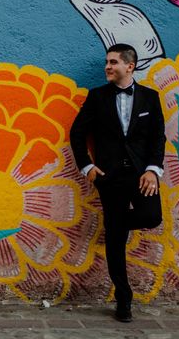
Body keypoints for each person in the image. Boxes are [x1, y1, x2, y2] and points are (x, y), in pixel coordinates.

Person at [69, 44, 165, 323]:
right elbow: (77, 133)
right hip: (109, 177)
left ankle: (116, 224)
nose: (107, 67)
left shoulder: (150, 98)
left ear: (130, 66)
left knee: (151, 216)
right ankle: (124, 299)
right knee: (115, 241)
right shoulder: (97, 97)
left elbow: (158, 138)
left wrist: (152, 170)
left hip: (141, 175)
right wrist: (86, 165)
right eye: (107, 62)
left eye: (113, 62)